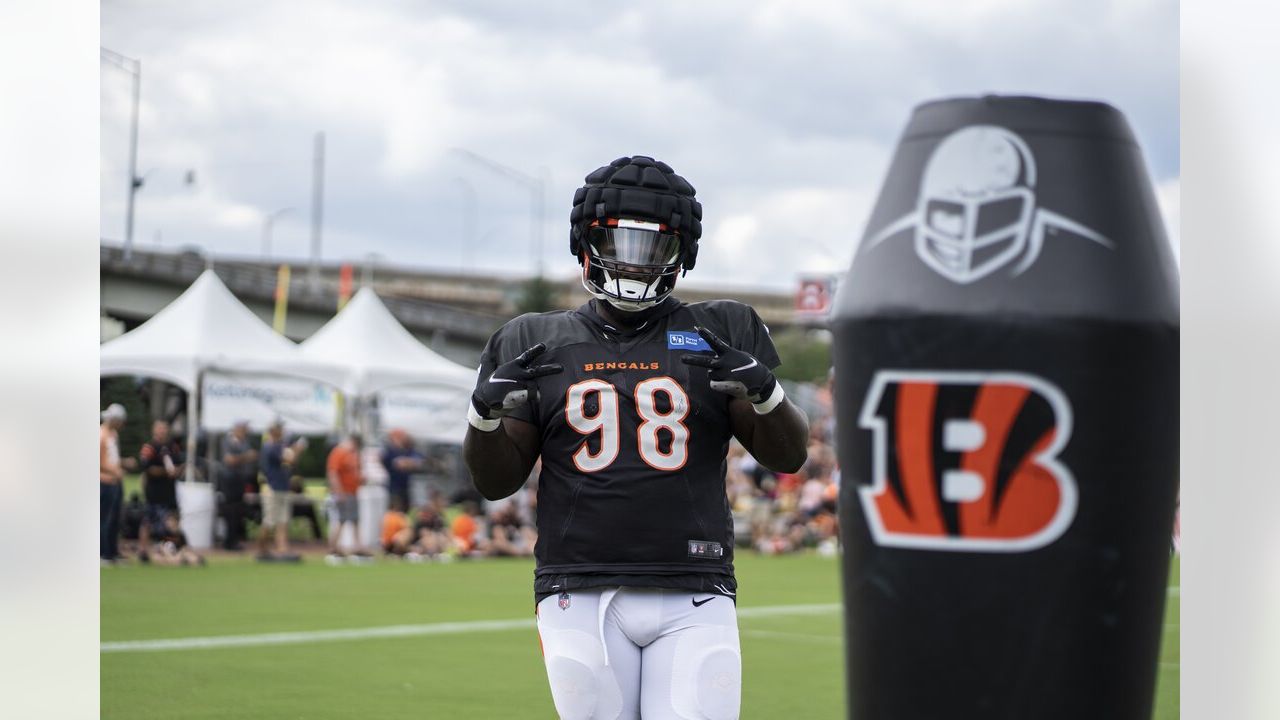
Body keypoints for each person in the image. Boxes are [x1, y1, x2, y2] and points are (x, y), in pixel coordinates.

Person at [463, 155, 809, 719]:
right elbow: (496, 482)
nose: (633, 261)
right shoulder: (531, 340)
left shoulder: (721, 329)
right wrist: (482, 417)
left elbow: (789, 455)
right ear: (585, 243)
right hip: (579, 585)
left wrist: (766, 393)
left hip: (695, 584)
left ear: (682, 254)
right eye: (617, 242)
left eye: (653, 247)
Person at [137, 420, 184, 564]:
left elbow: (179, 464)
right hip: (154, 491)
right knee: (148, 522)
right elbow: (147, 468)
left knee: (172, 520)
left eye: (164, 429)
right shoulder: (149, 447)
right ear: (154, 431)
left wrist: (177, 471)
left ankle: (170, 549)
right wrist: (165, 472)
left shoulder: (173, 447)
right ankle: (143, 551)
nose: (162, 432)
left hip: (169, 491)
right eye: (159, 429)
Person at [258, 420, 306, 560]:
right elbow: (290, 459)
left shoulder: (279, 446)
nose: (283, 432)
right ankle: (262, 549)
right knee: (270, 521)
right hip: (272, 488)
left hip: (283, 488)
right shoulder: (270, 447)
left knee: (283, 521)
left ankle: (282, 548)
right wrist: (298, 449)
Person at [325, 433, 367, 561]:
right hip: (343, 492)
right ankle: (333, 548)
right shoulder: (339, 452)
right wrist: (339, 491)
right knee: (341, 520)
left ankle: (357, 547)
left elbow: (356, 473)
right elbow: (333, 473)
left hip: (353, 492)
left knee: (355, 520)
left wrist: (361, 480)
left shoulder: (354, 454)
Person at [218, 420, 257, 551]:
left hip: (240, 480)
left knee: (238, 511)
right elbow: (229, 460)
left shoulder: (245, 442)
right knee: (231, 511)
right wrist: (246, 457)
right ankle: (229, 541)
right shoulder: (228, 441)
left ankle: (234, 539)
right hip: (230, 481)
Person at [100, 403, 129, 564]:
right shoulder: (101, 435)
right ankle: (103, 552)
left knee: (115, 519)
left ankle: (112, 552)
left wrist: (123, 464)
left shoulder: (113, 435)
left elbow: (112, 458)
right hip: (104, 482)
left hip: (115, 481)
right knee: (105, 518)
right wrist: (114, 471)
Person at [380, 428, 424, 511]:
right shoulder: (389, 451)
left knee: (406, 510)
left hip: (407, 487)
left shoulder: (408, 450)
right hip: (394, 488)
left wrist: (409, 462)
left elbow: (419, 460)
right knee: (395, 510)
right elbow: (393, 462)